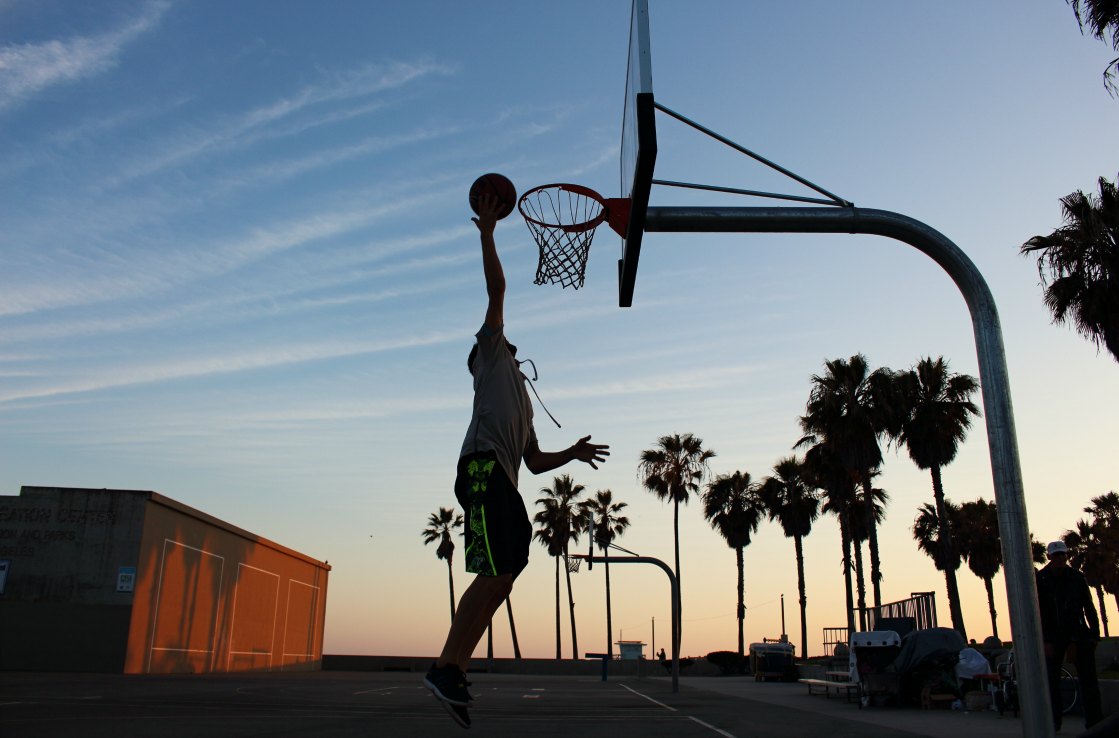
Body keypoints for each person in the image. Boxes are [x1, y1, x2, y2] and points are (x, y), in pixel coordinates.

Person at [423, 193, 610, 729]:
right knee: (498, 569)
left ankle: (452, 669)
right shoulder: (489, 354)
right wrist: (487, 233)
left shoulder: (524, 405)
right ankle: (445, 664)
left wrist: (571, 453)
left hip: (501, 476)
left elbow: (533, 462)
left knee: (502, 576)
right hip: (479, 469)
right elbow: (497, 289)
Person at [1035, 539, 1103, 731]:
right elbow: (1039, 611)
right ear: (1049, 557)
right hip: (1054, 636)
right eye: (1055, 556)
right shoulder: (1041, 579)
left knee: (1089, 679)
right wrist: (1046, 639)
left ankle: (1094, 722)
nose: (1059, 559)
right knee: (1051, 680)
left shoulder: (1076, 577)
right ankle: (1054, 721)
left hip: (1078, 633)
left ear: (1066, 556)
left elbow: (1088, 606)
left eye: (1062, 555)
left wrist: (1094, 634)